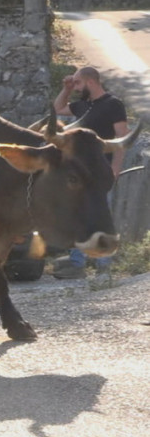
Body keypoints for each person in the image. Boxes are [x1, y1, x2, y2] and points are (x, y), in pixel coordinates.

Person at [52, 66, 129, 279]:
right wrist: (66, 89)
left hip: (101, 172)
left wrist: (115, 169)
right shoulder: (83, 105)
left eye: (77, 83)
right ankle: (78, 264)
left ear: (91, 82)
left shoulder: (113, 104)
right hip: (78, 174)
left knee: (102, 215)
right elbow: (58, 107)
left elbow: (121, 138)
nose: (75, 87)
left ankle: (104, 266)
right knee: (77, 214)